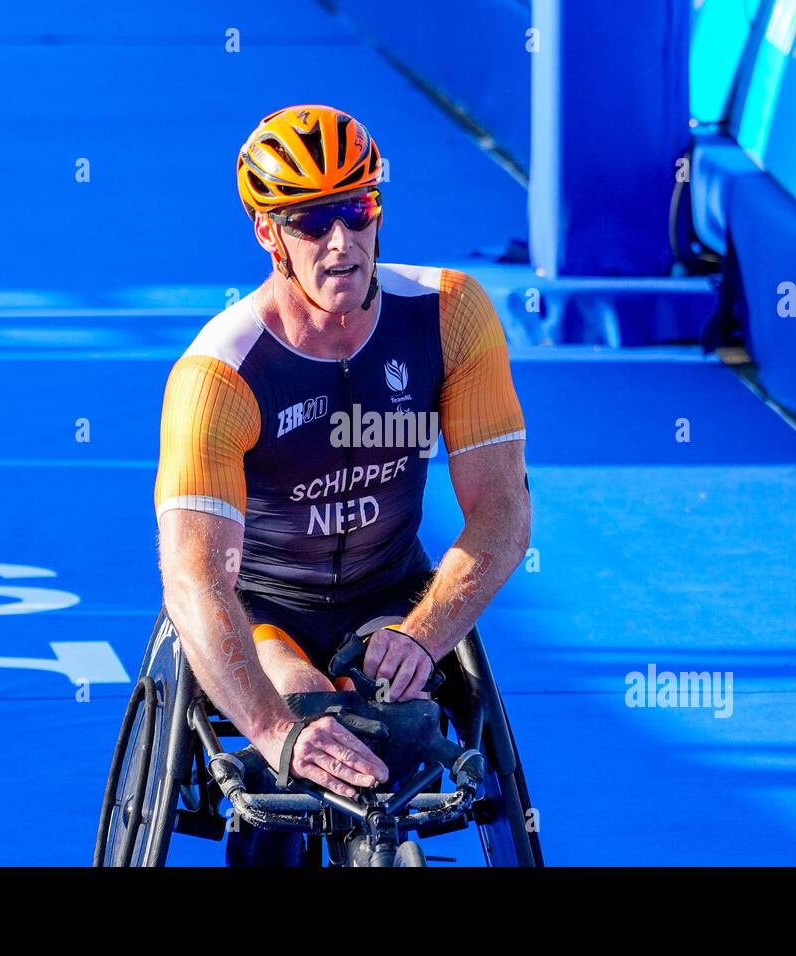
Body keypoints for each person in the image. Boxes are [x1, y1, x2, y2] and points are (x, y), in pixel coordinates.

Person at [153, 104, 530, 864]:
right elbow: (194, 582)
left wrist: (424, 634)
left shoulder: (452, 315)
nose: (341, 243)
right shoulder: (219, 374)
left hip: (389, 597)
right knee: (301, 712)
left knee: (404, 732)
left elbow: (503, 513)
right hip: (263, 608)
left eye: (357, 211)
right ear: (268, 233)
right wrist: (274, 731)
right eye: (311, 221)